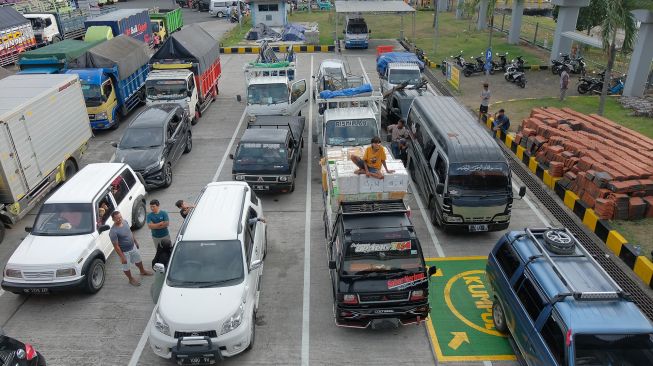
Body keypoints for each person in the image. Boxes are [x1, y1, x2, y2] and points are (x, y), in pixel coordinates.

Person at [109, 211, 152, 286]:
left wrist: (135, 241)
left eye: (120, 217)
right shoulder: (113, 231)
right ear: (113, 220)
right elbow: (116, 246)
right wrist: (122, 257)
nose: (119, 219)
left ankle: (142, 271)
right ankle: (130, 279)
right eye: (117, 218)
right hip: (125, 252)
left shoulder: (125, 222)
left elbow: (130, 232)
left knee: (138, 260)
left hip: (133, 247)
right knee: (126, 266)